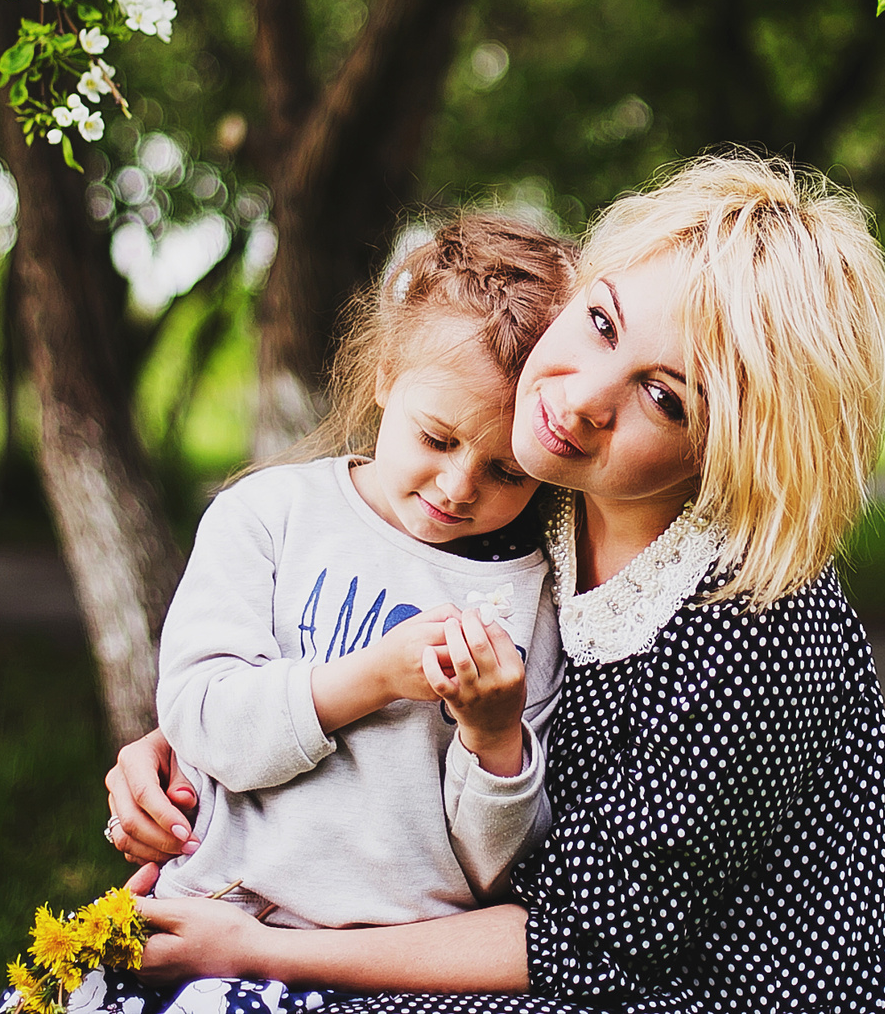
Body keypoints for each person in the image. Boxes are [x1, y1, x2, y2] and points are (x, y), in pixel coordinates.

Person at [103, 154, 885, 1013]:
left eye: (666, 399)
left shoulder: (754, 625)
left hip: (697, 991)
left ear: (740, 446)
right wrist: (179, 747)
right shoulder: (525, 501)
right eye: (602, 323)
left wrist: (266, 951)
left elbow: (591, 947)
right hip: (513, 944)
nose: (581, 401)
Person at [105, 215, 581, 1014]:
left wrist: (495, 737)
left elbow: (493, 867)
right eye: (437, 437)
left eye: (505, 468)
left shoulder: (535, 594)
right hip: (219, 916)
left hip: (393, 965)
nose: (461, 486)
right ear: (386, 375)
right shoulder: (271, 516)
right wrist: (372, 677)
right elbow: (203, 721)